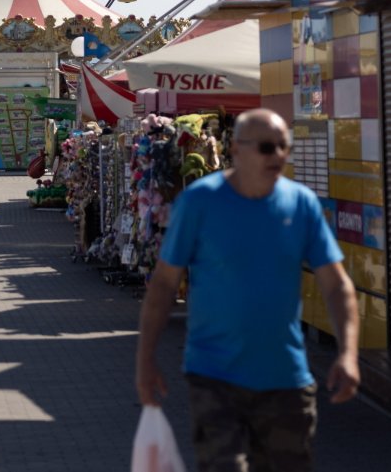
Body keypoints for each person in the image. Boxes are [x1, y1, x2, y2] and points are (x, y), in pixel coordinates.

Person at [135, 108, 360, 471]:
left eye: (285, 147)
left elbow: (336, 286)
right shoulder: (199, 203)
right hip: (214, 378)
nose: (279, 156)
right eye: (268, 147)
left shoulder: (300, 204)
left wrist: (348, 353)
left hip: (286, 379)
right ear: (237, 150)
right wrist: (145, 361)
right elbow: (163, 286)